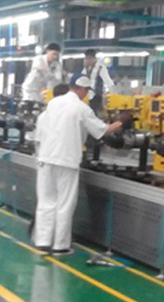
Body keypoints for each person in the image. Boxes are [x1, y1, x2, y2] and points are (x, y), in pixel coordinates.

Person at [33, 75, 126, 255]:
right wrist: (122, 120)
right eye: (87, 91)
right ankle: (60, 246)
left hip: (46, 158)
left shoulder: (53, 103)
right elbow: (103, 130)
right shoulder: (81, 108)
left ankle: (43, 243)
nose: (86, 95)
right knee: (64, 204)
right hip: (67, 161)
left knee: (46, 202)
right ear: (82, 89)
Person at [79, 48, 114, 114]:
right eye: (86, 59)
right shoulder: (86, 68)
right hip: (87, 96)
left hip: (97, 96)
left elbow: (108, 81)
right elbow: (81, 80)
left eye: (89, 58)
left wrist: (112, 93)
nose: (88, 61)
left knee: (94, 114)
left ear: (94, 58)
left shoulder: (100, 68)